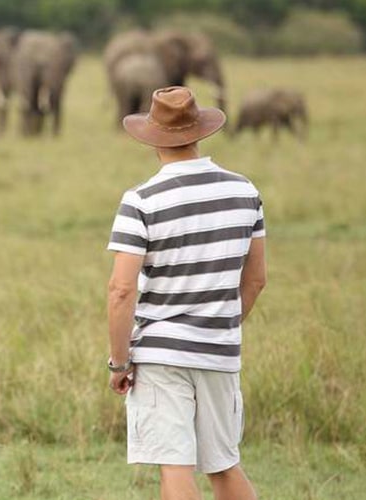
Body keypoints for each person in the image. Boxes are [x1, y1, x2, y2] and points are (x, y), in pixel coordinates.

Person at [107, 86, 265, 500]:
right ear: (200, 133)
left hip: (161, 353)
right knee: (225, 465)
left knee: (176, 468)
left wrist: (119, 362)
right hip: (220, 349)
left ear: (151, 138)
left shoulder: (141, 200)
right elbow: (256, 280)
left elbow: (121, 290)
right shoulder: (245, 191)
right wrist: (218, 324)